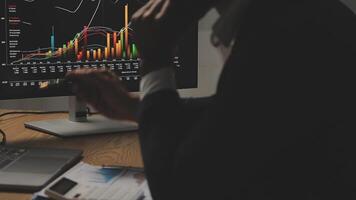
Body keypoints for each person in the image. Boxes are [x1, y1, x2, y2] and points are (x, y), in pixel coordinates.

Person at [66, 0, 356, 199]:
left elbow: (180, 190)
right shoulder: (297, 14)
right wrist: (137, 107)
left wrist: (155, 58)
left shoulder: (278, 34)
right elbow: (243, 113)